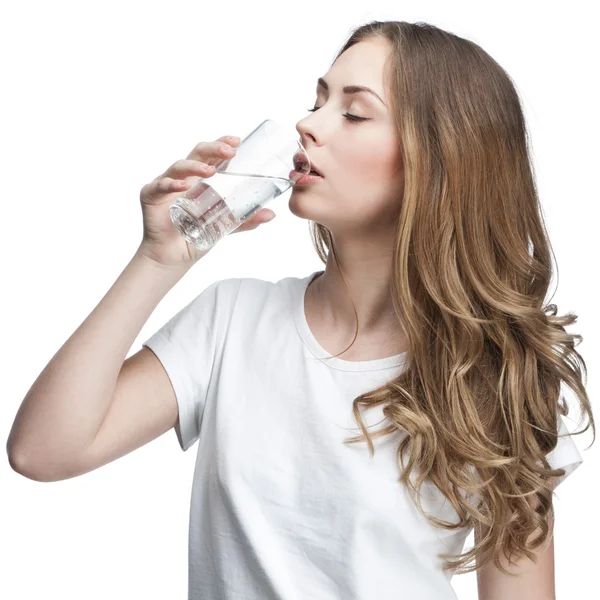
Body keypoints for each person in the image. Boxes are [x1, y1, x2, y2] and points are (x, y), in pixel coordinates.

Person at [7, 20, 594, 600]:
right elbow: (41, 452)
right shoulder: (232, 321)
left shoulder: (500, 378)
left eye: (354, 112)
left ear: (438, 160)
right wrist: (159, 260)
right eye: (318, 100)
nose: (307, 123)